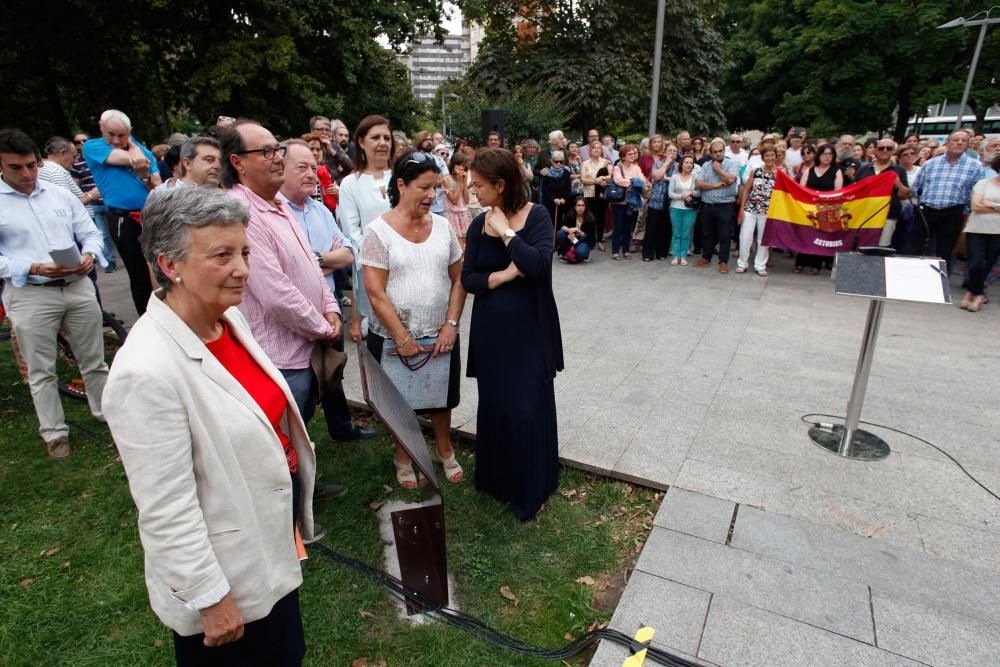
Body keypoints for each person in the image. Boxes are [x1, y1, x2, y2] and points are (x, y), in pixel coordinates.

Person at [103, 187, 316, 665]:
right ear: (170, 265)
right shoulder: (146, 371)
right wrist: (210, 599)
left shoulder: (228, 320)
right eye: (222, 255)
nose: (242, 268)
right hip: (226, 583)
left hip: (267, 551)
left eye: (244, 251)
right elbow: (165, 508)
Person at [222, 120, 370, 454]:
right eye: (267, 151)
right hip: (278, 356)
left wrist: (331, 309)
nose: (276, 157)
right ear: (237, 162)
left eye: (277, 149)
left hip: (304, 344)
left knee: (295, 436)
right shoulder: (242, 213)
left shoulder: (276, 204)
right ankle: (290, 501)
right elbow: (276, 294)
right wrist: (323, 327)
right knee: (279, 447)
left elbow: (313, 264)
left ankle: (303, 492)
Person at [462, 148, 563, 521]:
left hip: (530, 329)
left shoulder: (536, 217)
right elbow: (468, 277)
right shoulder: (476, 224)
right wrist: (503, 276)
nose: (473, 192)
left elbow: (537, 265)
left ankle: (531, 487)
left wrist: (506, 233)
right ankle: (498, 481)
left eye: (479, 186)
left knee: (526, 406)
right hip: (491, 331)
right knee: (496, 403)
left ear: (500, 185)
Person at [359, 151, 466, 488]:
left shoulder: (444, 226)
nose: (432, 195)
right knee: (399, 402)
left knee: (441, 399)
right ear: (401, 185)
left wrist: (451, 324)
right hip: (392, 337)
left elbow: (459, 279)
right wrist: (402, 338)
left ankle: (445, 450)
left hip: (439, 333)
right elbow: (375, 293)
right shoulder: (378, 232)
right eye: (424, 187)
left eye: (435, 187)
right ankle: (403, 454)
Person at [0, 128, 109, 459]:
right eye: (16, 168)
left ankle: (106, 412)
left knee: (94, 360)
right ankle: (54, 432)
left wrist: (90, 253)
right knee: (41, 369)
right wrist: (31, 267)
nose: (27, 173)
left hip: (77, 286)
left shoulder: (58, 194)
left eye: (32, 165)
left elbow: (89, 231)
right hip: (31, 293)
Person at [278, 140, 372, 444]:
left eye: (313, 167)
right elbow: (284, 270)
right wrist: (324, 260)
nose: (313, 174)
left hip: (329, 306)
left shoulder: (319, 210)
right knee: (300, 385)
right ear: (280, 169)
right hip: (293, 314)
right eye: (302, 167)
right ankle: (296, 446)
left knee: (333, 371)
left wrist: (315, 260)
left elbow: (349, 251)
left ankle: (341, 427)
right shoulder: (274, 213)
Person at [82, 109, 162, 315]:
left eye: (122, 135)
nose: (116, 140)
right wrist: (138, 155)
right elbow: (134, 161)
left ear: (130, 132)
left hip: (151, 216)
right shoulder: (93, 146)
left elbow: (155, 183)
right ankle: (146, 319)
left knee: (161, 270)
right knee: (139, 274)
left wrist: (142, 168)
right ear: (101, 128)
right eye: (111, 134)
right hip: (123, 219)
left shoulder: (143, 151)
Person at [339, 115, 395, 344]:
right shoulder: (351, 184)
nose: (382, 142)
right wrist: (379, 262)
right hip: (372, 269)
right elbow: (352, 233)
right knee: (380, 336)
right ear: (361, 142)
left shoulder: (402, 178)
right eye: (375, 137)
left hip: (408, 265)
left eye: (386, 137)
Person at [908, 131, 985, 273]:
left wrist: (964, 210)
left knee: (945, 251)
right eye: (956, 139)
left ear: (967, 144)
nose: (960, 143)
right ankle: (911, 277)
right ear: (948, 142)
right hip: (926, 210)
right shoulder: (931, 163)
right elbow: (916, 188)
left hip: (953, 212)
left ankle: (941, 285)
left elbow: (977, 191)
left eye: (964, 140)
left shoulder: (975, 166)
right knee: (914, 247)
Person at [71, 132, 116, 273]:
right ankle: (109, 262)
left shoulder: (100, 157)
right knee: (102, 233)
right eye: (78, 142)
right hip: (93, 204)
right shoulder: (76, 163)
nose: (82, 144)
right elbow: (75, 184)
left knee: (116, 232)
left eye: (84, 140)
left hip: (109, 201)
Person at [694, 138, 740, 273]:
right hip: (708, 205)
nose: (718, 154)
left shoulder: (732, 164)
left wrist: (718, 169)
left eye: (720, 151)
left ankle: (723, 261)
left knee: (725, 235)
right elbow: (698, 184)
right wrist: (716, 185)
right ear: (711, 153)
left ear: (724, 151)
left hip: (725, 206)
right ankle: (706, 258)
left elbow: (731, 180)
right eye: (715, 152)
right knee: (707, 233)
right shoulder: (706, 165)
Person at [796, 143, 843, 275]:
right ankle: (800, 262)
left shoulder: (836, 171)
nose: (827, 157)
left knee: (821, 236)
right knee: (806, 235)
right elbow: (802, 189)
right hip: (809, 208)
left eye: (830, 154)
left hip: (826, 209)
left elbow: (837, 191)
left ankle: (816, 264)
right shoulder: (810, 170)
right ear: (819, 155)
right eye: (825, 154)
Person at [961, 155, 1000, 311]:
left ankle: (972, 294)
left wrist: (990, 204)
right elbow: (976, 206)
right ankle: (978, 293)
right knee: (975, 262)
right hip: (976, 228)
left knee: (988, 264)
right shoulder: (983, 183)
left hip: (998, 232)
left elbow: (982, 204)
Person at [855, 139, 910, 249]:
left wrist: (898, 184)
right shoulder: (864, 169)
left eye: (888, 148)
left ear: (893, 151)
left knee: (881, 248)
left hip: (888, 217)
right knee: (862, 246)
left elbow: (904, 195)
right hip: (865, 216)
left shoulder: (899, 170)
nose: (885, 150)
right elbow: (854, 191)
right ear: (875, 150)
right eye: (881, 148)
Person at [736, 145, 777, 276]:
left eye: (772, 155)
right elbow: (747, 189)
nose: (770, 158)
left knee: (762, 239)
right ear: (763, 158)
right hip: (751, 209)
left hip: (767, 212)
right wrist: (742, 207)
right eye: (767, 155)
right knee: (745, 237)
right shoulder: (756, 171)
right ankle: (742, 263)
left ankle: (760, 265)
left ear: (775, 157)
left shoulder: (779, 174)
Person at [609, 143, 647, 260]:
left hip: (632, 203)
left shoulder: (636, 168)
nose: (632, 156)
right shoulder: (617, 167)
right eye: (629, 154)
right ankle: (615, 251)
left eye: (633, 154)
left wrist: (631, 182)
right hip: (619, 202)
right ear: (623, 156)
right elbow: (619, 181)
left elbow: (642, 181)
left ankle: (626, 250)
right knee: (618, 227)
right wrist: (633, 182)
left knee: (628, 227)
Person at [643, 141, 676, 261]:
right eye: (670, 151)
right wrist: (666, 164)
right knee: (652, 228)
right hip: (656, 200)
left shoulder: (678, 166)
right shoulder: (658, 163)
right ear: (665, 153)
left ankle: (662, 252)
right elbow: (656, 176)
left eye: (674, 151)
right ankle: (648, 254)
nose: (672, 153)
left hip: (671, 202)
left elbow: (678, 180)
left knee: (666, 228)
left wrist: (666, 178)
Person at [154, 136, 222, 190]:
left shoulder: (225, 197)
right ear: (187, 163)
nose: (218, 166)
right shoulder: (163, 197)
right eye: (209, 159)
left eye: (220, 161)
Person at [39, 137, 91, 205]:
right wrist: (91, 196)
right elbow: (67, 205)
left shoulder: (50, 169)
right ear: (63, 153)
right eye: (74, 157)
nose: (76, 161)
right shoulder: (55, 174)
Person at [668, 154, 699, 265]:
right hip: (676, 208)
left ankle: (683, 255)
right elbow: (670, 194)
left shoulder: (695, 177)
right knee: (676, 233)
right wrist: (682, 196)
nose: (689, 165)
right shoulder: (675, 177)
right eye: (686, 162)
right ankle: (676, 256)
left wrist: (691, 192)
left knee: (686, 233)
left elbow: (699, 192)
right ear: (681, 164)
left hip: (690, 210)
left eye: (691, 163)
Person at [581, 141, 609, 250]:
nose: (597, 149)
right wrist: (596, 181)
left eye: (599, 148)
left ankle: (600, 239)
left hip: (601, 194)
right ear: (590, 150)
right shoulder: (585, 163)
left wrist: (604, 179)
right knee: (589, 217)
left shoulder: (605, 162)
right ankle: (590, 239)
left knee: (601, 217)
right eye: (594, 148)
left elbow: (611, 175)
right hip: (588, 194)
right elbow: (583, 180)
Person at [444, 151, 472, 248]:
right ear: (453, 164)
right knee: (457, 247)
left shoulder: (462, 178)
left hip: (463, 215)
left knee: (466, 246)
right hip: (452, 216)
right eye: (458, 164)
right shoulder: (446, 179)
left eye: (463, 165)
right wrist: (460, 183)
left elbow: (466, 200)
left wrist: (464, 183)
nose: (460, 168)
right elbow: (454, 201)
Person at [539, 150, 572, 227]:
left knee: (561, 224)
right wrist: (553, 199)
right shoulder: (546, 173)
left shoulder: (566, 172)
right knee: (550, 224)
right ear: (551, 161)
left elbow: (568, 188)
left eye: (561, 161)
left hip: (562, 203)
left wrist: (564, 199)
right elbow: (545, 190)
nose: (559, 163)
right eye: (556, 161)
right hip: (549, 204)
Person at [556, 196, 593, 263]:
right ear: (575, 207)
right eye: (578, 205)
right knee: (560, 233)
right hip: (573, 239)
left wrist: (578, 231)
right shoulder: (570, 214)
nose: (580, 207)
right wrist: (570, 231)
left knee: (580, 252)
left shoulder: (590, 218)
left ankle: (578, 255)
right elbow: (562, 226)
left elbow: (589, 237)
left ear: (585, 207)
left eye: (582, 205)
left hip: (584, 241)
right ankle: (567, 254)